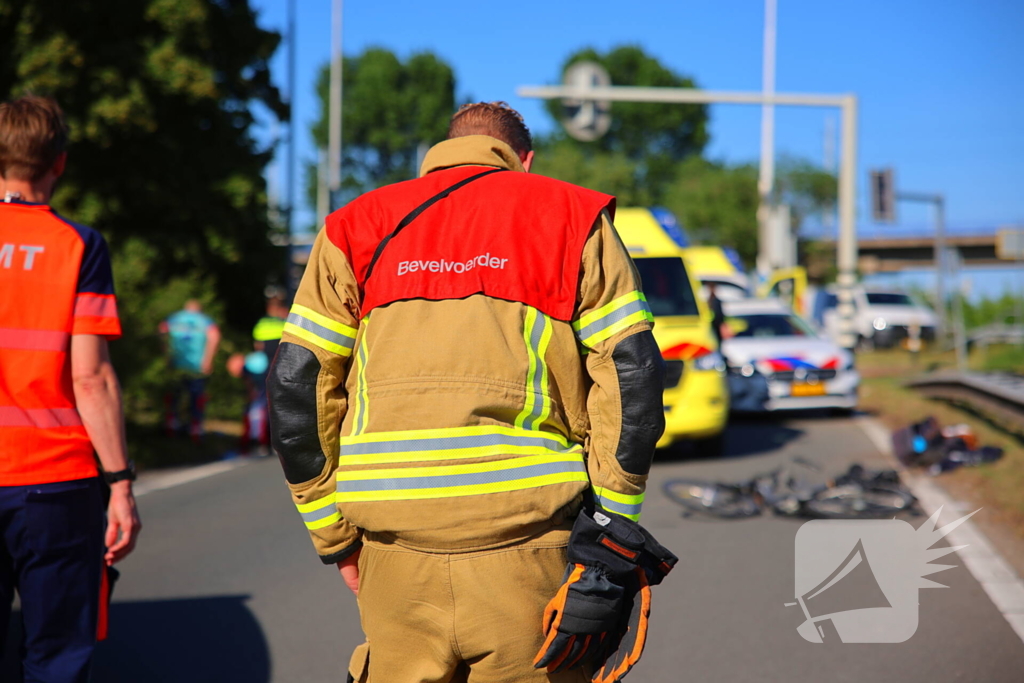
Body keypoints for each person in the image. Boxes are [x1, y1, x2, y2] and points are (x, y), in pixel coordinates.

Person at [268, 102, 676, 682]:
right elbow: (631, 375)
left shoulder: (352, 227)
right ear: (524, 161)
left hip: (392, 554)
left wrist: (336, 539)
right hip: (529, 544)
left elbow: (296, 386)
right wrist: (612, 534)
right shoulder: (571, 217)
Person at [0, 95, 141, 681]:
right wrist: (121, 483)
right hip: (53, 487)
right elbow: (91, 376)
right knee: (55, 659)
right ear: (58, 161)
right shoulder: (78, 246)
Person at [159, 299, 220, 440]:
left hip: (176, 364)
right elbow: (215, 336)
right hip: (197, 366)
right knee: (196, 397)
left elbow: (162, 330)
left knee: (175, 395)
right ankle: (196, 429)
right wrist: (208, 359)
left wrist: (166, 353)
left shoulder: (175, 318)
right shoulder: (204, 320)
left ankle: (171, 424)